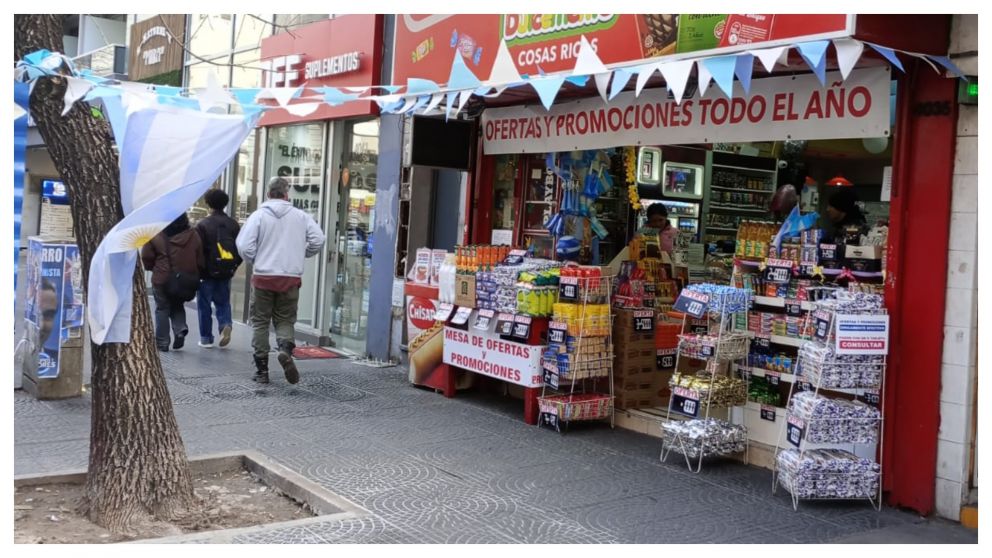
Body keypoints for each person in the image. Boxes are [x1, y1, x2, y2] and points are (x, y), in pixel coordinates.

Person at [237, 177, 325, 385]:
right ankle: (285, 349)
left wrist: (256, 259)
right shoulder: (301, 216)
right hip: (290, 277)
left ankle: (262, 370)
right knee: (285, 319)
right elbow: (318, 239)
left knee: (260, 322)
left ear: (268, 194)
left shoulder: (258, 216)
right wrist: (302, 254)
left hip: (263, 276)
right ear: (287, 195)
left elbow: (244, 245)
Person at [142, 213, 204, 352]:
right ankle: (180, 329)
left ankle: (162, 342)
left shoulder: (155, 234)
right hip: (184, 278)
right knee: (177, 304)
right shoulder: (193, 235)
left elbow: (146, 256)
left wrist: (154, 267)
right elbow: (199, 258)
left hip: (162, 277)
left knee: (162, 309)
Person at [195, 189, 243, 349]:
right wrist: (234, 265)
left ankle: (206, 338)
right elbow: (241, 248)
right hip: (226, 270)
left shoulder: (202, 225)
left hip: (206, 272)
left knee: (204, 305)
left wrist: (199, 269)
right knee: (223, 302)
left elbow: (197, 250)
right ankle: (225, 325)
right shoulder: (233, 224)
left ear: (208, 203)